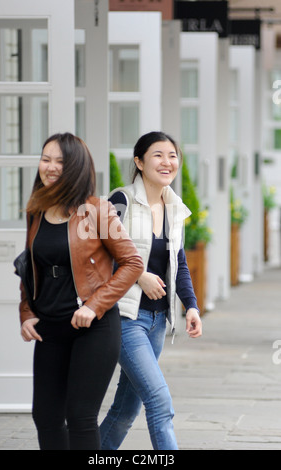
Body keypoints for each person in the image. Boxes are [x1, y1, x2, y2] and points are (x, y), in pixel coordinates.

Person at [18, 132, 144, 450]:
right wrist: (27, 312)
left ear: (75, 166)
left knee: (80, 416)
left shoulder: (97, 210)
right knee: (44, 416)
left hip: (93, 327)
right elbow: (29, 267)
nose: (50, 167)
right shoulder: (36, 211)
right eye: (46, 159)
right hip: (50, 327)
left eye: (60, 161)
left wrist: (94, 305)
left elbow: (132, 263)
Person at [100, 131, 202, 450]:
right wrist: (138, 274)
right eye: (157, 155)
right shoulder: (121, 200)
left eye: (172, 155)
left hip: (157, 322)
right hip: (125, 319)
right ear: (139, 162)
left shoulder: (175, 209)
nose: (166, 161)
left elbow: (179, 263)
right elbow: (97, 257)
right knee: (160, 403)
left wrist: (192, 306)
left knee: (124, 410)